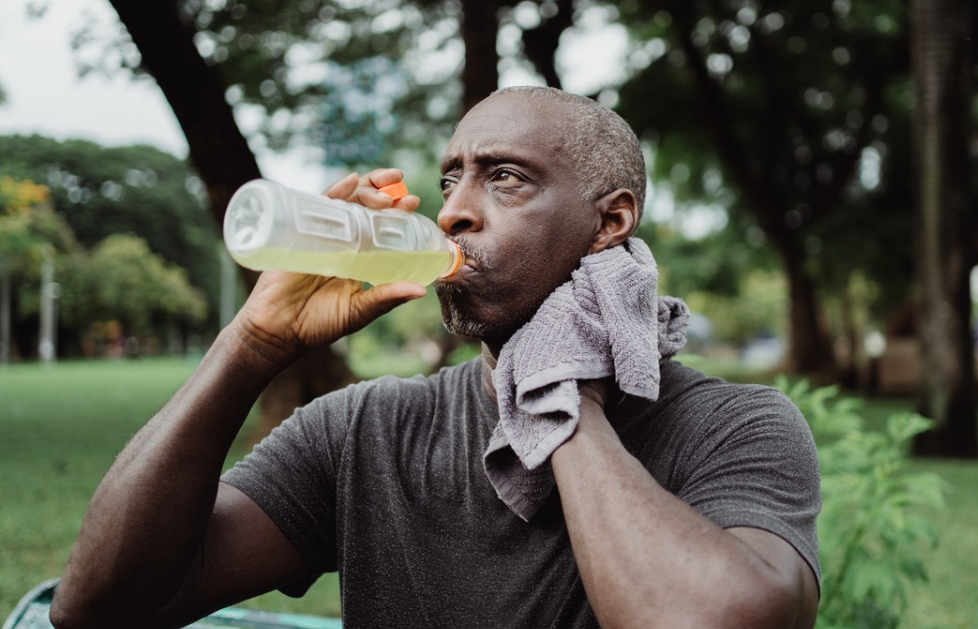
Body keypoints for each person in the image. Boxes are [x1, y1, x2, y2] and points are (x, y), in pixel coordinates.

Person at [50, 86, 821, 629]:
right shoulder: (363, 431)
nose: (453, 208)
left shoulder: (736, 427)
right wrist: (250, 347)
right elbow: (96, 605)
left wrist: (560, 390)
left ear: (609, 223)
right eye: (452, 176)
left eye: (505, 178)